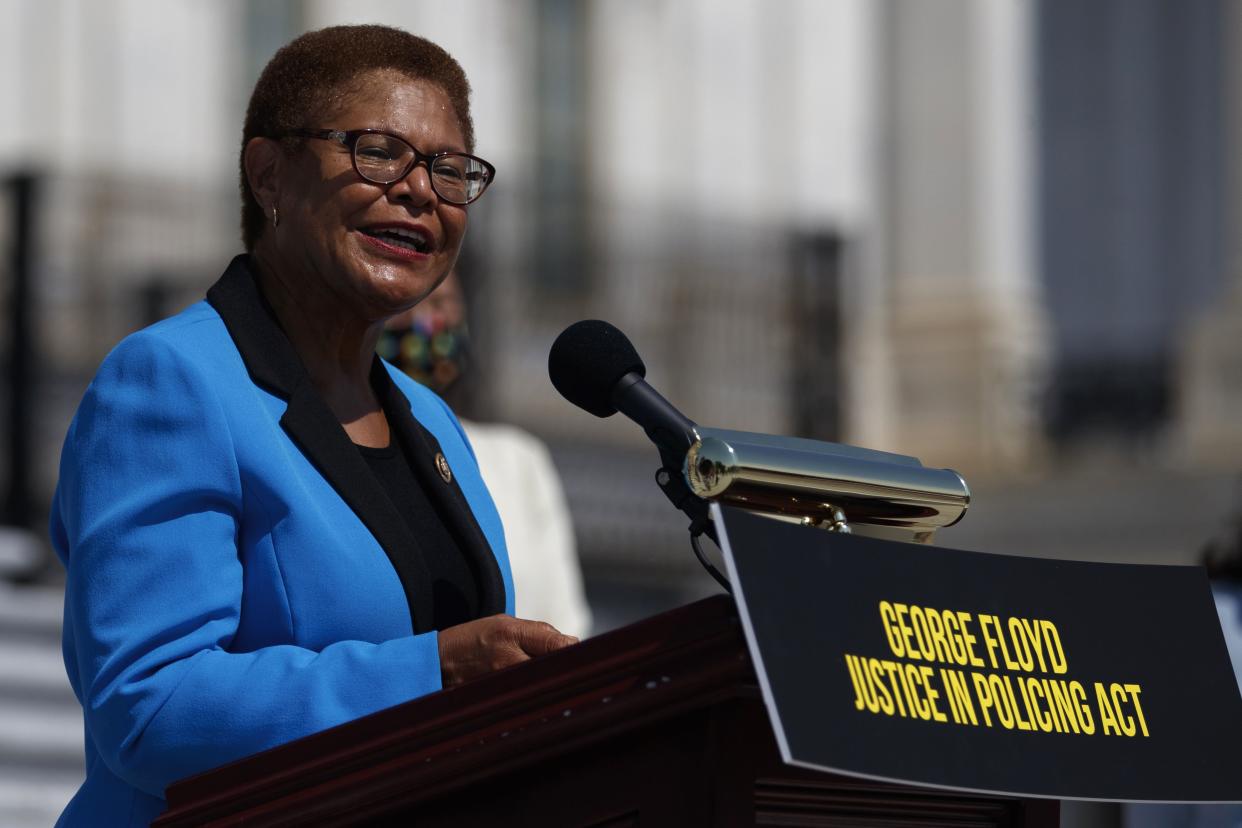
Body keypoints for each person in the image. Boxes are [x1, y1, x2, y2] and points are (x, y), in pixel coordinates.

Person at [49, 25, 577, 826]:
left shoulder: (432, 424)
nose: (419, 190)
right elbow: (149, 709)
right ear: (268, 173)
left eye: (448, 168)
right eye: (376, 152)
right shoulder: (171, 382)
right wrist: (433, 675)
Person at [379, 272, 593, 638]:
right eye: (408, 303)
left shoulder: (518, 459)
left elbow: (567, 618)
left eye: (441, 302)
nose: (426, 320)